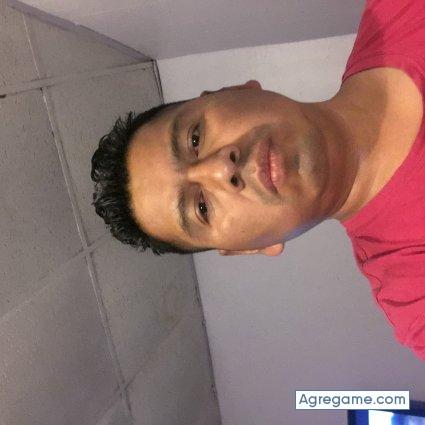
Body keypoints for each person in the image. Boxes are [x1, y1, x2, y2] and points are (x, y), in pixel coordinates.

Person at [91, 0, 425, 362]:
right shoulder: (413, 293)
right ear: (247, 248)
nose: (220, 170)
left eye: (195, 139)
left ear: (235, 89)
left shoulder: (396, 11)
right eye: (201, 207)